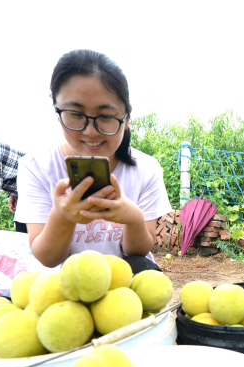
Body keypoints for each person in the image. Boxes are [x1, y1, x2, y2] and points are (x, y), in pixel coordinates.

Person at [15, 49, 172, 272]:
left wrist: (133, 217)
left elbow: (138, 252)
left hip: (125, 286)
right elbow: (48, 259)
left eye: (106, 117)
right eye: (75, 114)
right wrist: (63, 217)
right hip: (69, 287)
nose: (90, 131)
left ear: (126, 117)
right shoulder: (36, 167)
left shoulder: (146, 169)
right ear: (57, 109)